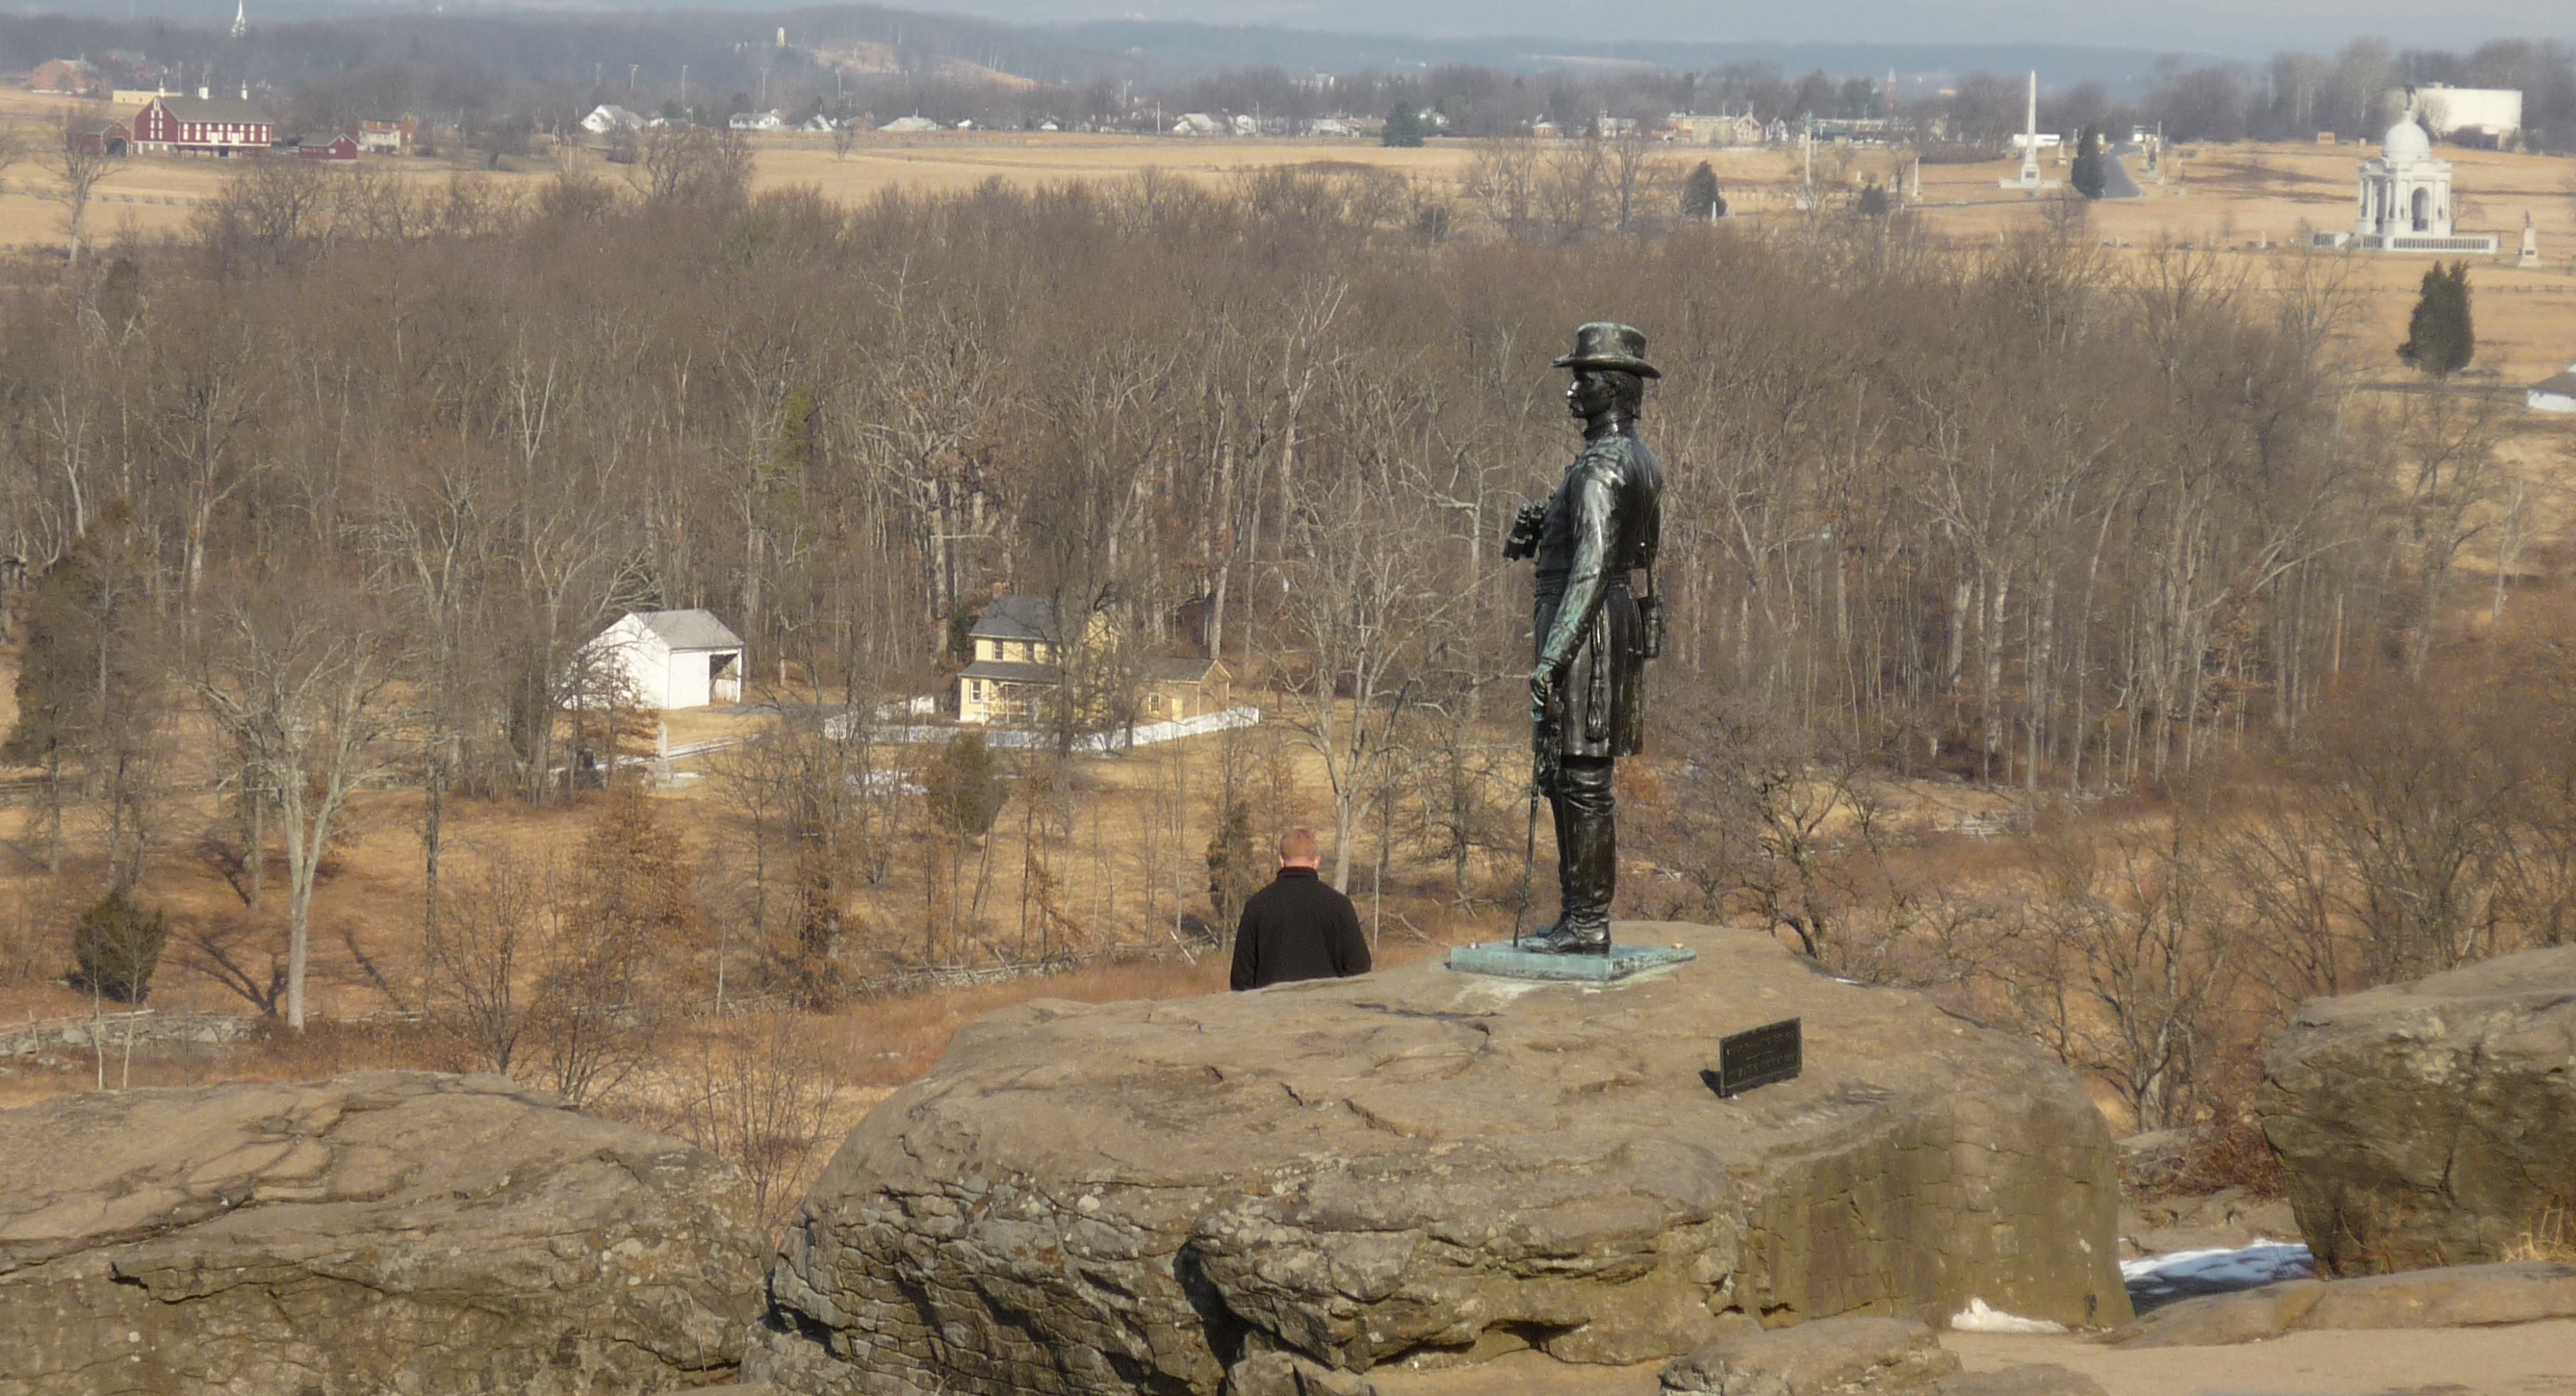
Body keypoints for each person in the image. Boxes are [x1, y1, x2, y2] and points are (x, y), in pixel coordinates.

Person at [1502, 322, 1665, 954]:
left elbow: (1594, 567)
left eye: (1584, 379)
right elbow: (1635, 547)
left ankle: (1587, 919)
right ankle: (1579, 913)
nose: (1572, 389)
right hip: (1611, 621)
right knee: (1576, 776)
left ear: (1615, 388)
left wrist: (1553, 654)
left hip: (1588, 629)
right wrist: (1550, 515)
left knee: (1582, 778)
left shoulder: (1602, 468)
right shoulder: (1636, 458)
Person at [1227, 828, 1371, 991]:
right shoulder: (1339, 905)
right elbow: (1360, 968)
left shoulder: (1257, 905)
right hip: (1326, 1007)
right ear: (1317, 861)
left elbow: (1241, 978)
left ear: (1281, 860)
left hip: (1270, 1010)